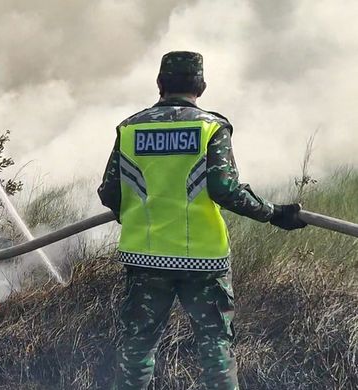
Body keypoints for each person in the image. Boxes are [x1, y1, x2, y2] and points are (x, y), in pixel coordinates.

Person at [97, 51, 307, 389]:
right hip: (203, 262)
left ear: (159, 84)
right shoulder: (211, 126)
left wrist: (133, 213)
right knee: (215, 350)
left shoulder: (130, 128)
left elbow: (109, 191)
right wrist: (273, 213)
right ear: (202, 85)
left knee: (137, 348)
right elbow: (224, 189)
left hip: (145, 259)